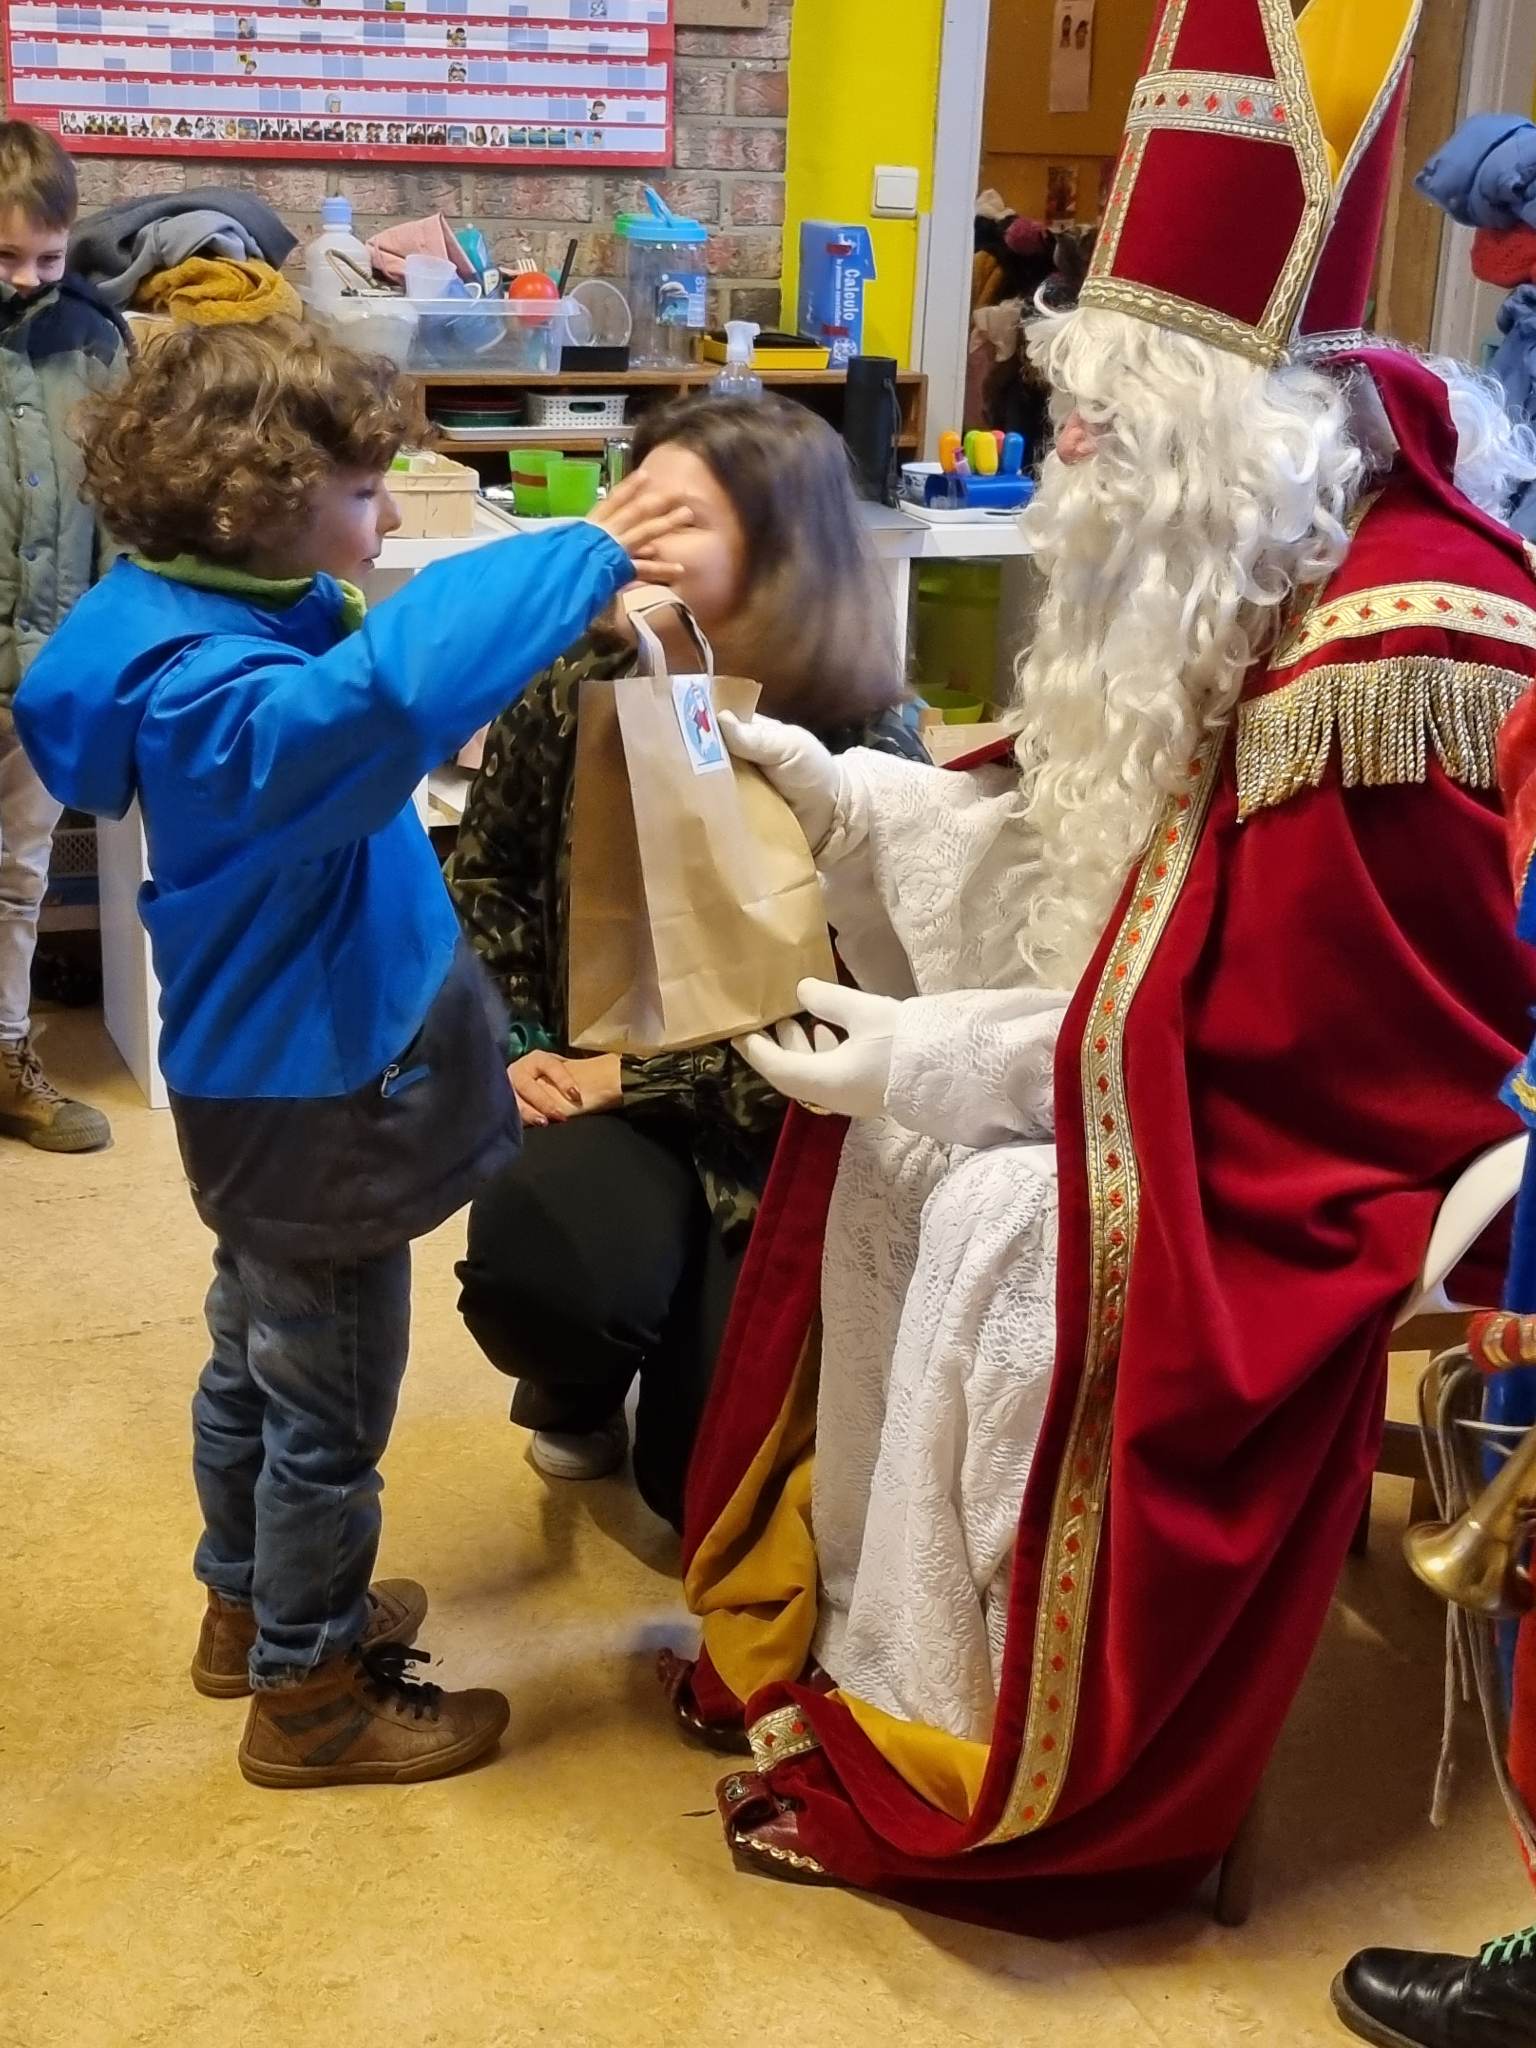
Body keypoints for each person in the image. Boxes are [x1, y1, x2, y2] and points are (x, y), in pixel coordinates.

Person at [659, 0, 1536, 1936]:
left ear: (1228, 426)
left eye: (1104, 415)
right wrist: (858, 794)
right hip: (1200, 1068)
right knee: (908, 1156)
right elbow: (1090, 850)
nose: (1064, 453)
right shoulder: (1224, 551)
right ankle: (864, 1666)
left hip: (1354, 1138)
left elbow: (1280, 1040)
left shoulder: (1402, 637)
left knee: (998, 1221)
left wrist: (934, 1053)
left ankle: (982, 1748)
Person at [12, 319, 692, 1789]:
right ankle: (310, 1689)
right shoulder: (224, 703)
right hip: (313, 1097)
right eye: (367, 490)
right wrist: (582, 554)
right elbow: (387, 693)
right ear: (253, 506)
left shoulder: (179, 618)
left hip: (259, 1082)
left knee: (251, 1354)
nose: (384, 517)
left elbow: (369, 663)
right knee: (327, 1404)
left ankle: (247, 1605)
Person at [447, 394, 925, 1530]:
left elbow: (868, 1013)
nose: (636, 538)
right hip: (590, 1076)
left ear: (780, 548)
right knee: (542, 1274)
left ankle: (678, 1363)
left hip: (778, 1126)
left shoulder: (870, 739)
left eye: (680, 518)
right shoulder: (575, 681)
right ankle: (577, 1374)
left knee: (699, 1494)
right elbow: (487, 878)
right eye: (633, 504)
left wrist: (641, 1077)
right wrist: (518, 1046)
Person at [0, 121, 124, 1153]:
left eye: (46, 259)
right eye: (3, 256)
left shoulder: (94, 339)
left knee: (19, 871)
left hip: (45, 669)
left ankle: (5, 1055)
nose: (25, 280)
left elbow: (122, 498)